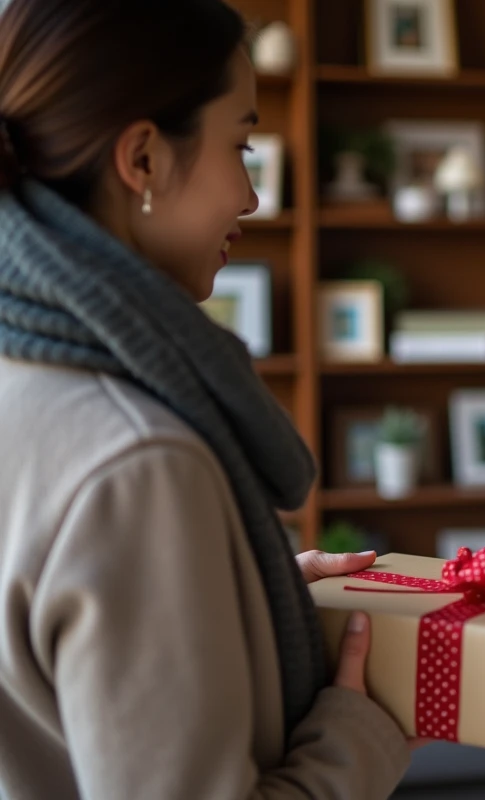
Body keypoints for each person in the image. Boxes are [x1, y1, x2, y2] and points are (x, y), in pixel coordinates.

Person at [0, 1, 415, 797]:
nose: (253, 195)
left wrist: (238, 603)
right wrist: (367, 732)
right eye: (242, 145)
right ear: (145, 159)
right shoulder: (136, 463)